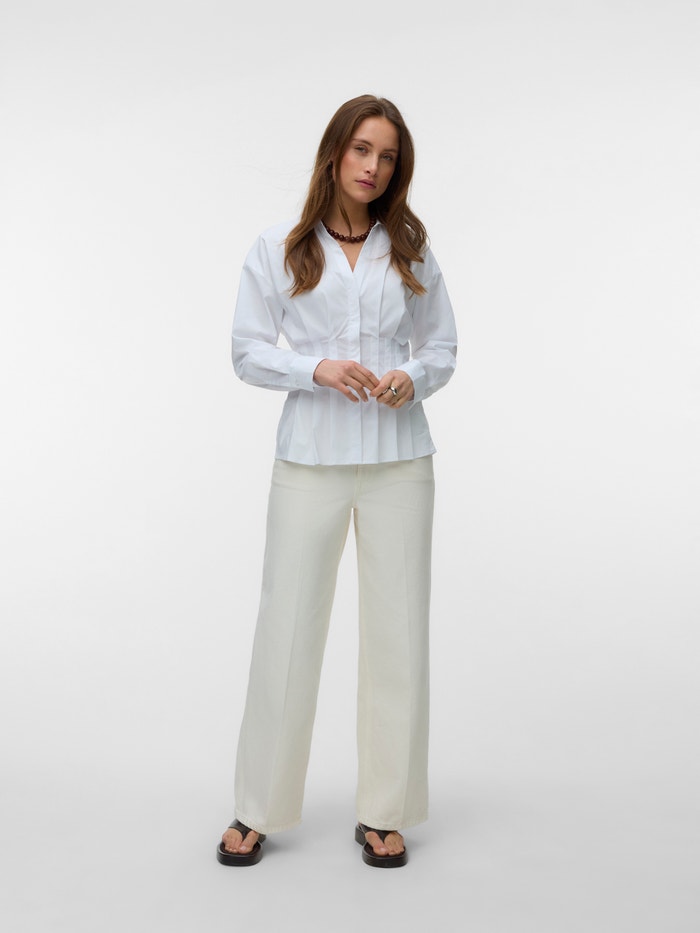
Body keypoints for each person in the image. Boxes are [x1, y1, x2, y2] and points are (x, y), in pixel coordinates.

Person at [217, 94, 457, 869]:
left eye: (387, 156)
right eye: (362, 149)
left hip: (399, 462)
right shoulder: (280, 247)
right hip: (309, 459)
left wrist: (411, 379)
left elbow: (442, 347)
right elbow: (247, 350)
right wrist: (314, 367)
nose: (373, 167)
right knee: (286, 628)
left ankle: (386, 810)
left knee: (398, 634)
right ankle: (257, 806)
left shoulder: (410, 249)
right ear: (334, 152)